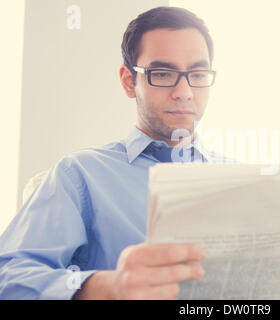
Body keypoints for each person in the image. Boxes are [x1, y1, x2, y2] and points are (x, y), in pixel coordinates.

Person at [0, 6, 220, 300]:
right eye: (163, 73)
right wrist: (108, 287)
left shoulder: (241, 177)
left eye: (197, 73)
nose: (185, 91)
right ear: (129, 82)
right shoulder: (79, 174)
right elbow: (9, 276)